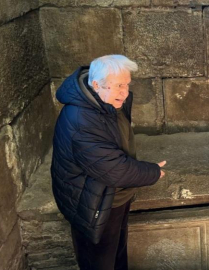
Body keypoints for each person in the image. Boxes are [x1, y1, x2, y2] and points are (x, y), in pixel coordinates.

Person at [51, 54, 166, 270]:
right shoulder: (81, 119)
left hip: (113, 196)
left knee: (117, 255)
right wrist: (151, 172)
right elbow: (113, 169)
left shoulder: (104, 102)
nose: (125, 92)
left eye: (127, 84)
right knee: (100, 262)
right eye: (119, 85)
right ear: (96, 84)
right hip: (95, 202)